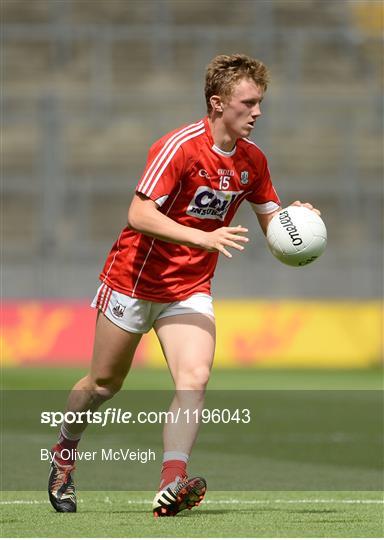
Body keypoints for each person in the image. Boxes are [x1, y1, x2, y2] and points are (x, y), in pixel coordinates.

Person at [48, 53, 320, 516]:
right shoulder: (179, 146)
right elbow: (139, 214)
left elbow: (274, 222)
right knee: (101, 385)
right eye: (249, 103)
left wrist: (298, 222)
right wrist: (203, 236)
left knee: (194, 379)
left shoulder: (253, 161)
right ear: (217, 103)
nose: (257, 112)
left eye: (260, 103)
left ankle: (171, 483)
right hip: (133, 281)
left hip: (189, 289)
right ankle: (64, 456)